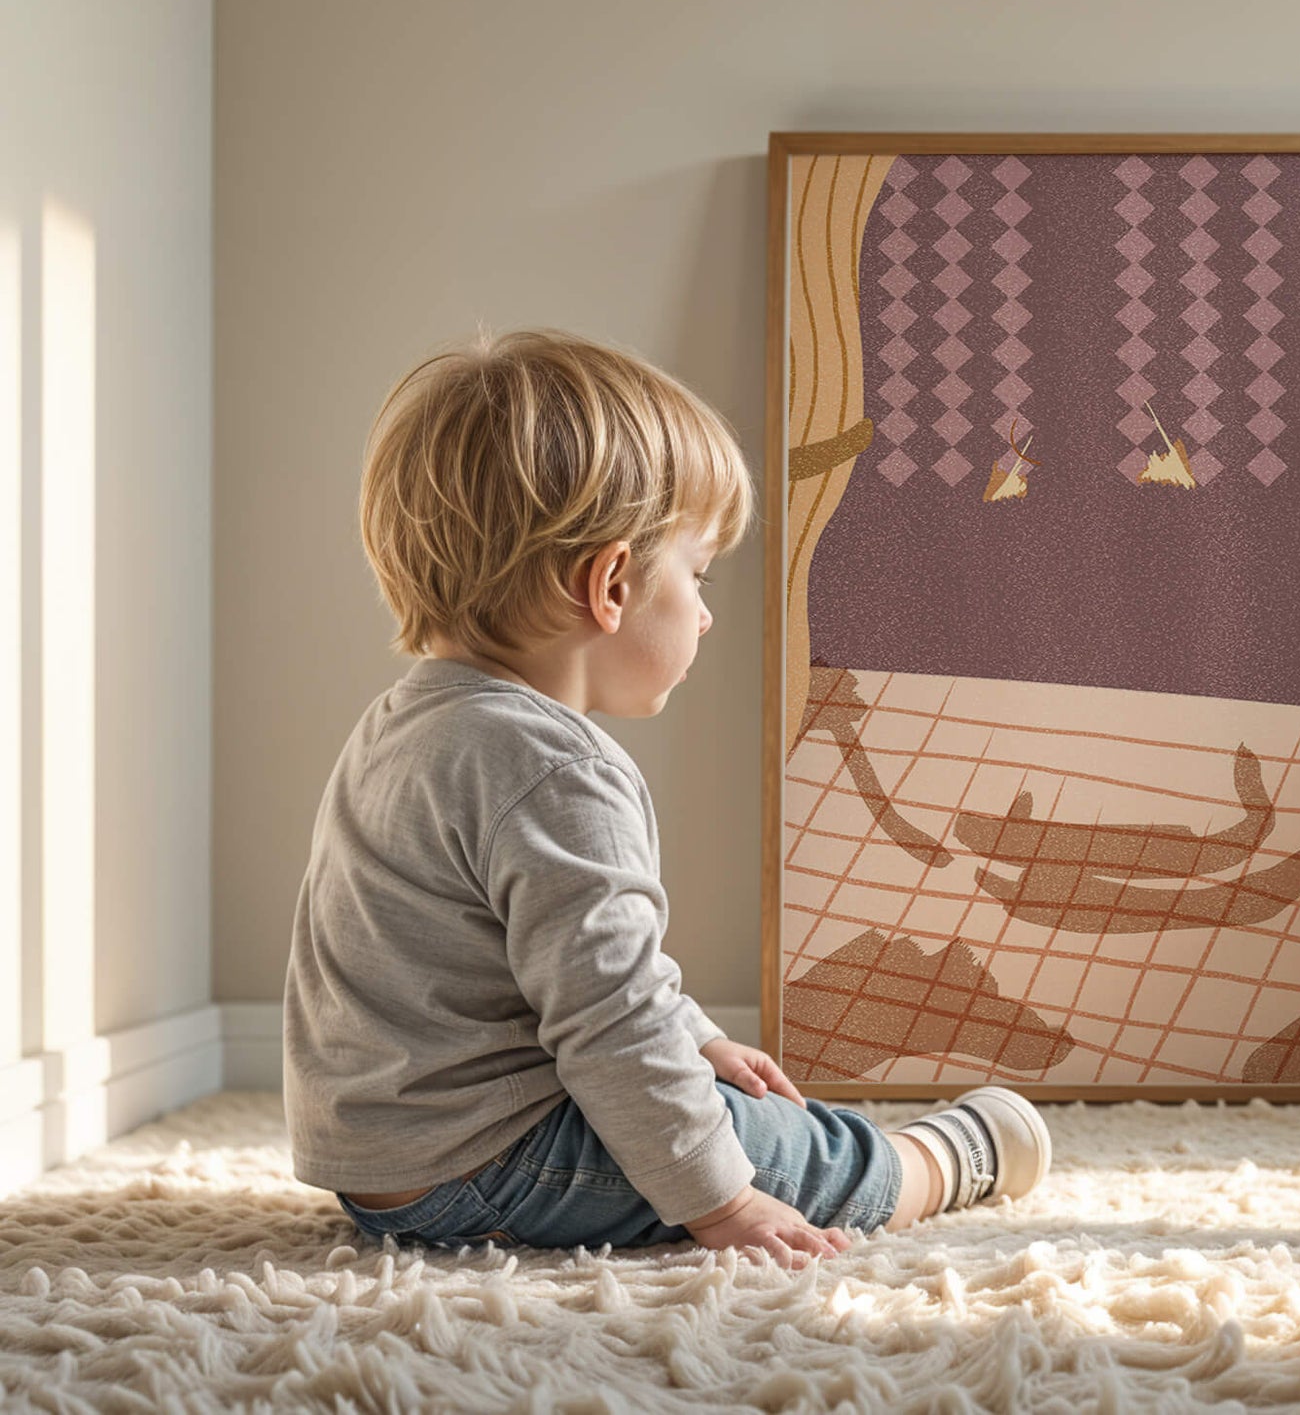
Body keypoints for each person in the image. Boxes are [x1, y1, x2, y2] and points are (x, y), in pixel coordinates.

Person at [282, 328, 1051, 1264]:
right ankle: (935, 1159)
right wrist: (724, 1204)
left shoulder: (401, 726)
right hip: (494, 1159)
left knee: (693, 1091)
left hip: (376, 1173)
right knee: (766, 1147)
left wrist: (694, 1036)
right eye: (698, 574)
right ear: (609, 583)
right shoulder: (558, 770)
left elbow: (559, 965)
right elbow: (608, 1015)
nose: (707, 609)